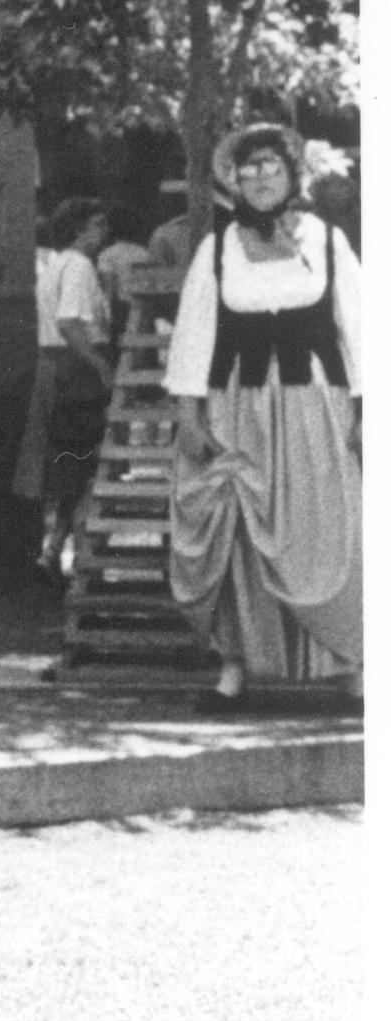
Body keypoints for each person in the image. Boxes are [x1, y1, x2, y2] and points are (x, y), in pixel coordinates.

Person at [164, 121, 364, 704]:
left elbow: (360, 327)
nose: (259, 176)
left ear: (291, 173)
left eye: (270, 164)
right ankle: (236, 669)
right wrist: (189, 414)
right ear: (234, 179)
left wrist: (368, 409)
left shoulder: (327, 241)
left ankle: (353, 664)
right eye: (247, 167)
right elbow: (195, 337)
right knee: (243, 535)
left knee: (327, 527)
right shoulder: (218, 249)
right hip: (240, 408)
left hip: (314, 408)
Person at [18, 196, 115, 579]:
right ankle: (75, 556)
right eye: (97, 225)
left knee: (68, 466)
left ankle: (56, 549)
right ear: (78, 230)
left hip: (56, 367)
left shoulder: (57, 264)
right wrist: (99, 364)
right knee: (80, 463)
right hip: (74, 370)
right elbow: (70, 322)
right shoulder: (77, 266)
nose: (103, 232)